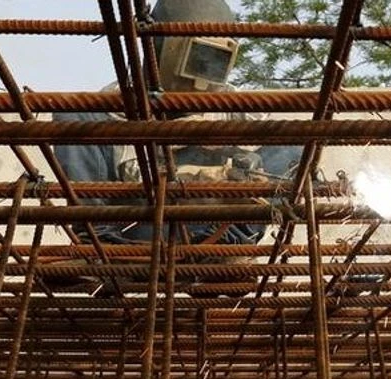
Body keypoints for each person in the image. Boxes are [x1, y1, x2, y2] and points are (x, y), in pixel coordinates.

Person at [53, 0, 302, 294]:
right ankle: (99, 251)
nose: (202, 74)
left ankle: (227, 255)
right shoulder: (108, 111)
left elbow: (287, 157)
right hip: (134, 241)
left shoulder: (235, 109)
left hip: (215, 238)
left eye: (213, 61)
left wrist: (249, 176)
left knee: (295, 145)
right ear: (157, 50)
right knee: (70, 115)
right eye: (197, 58)